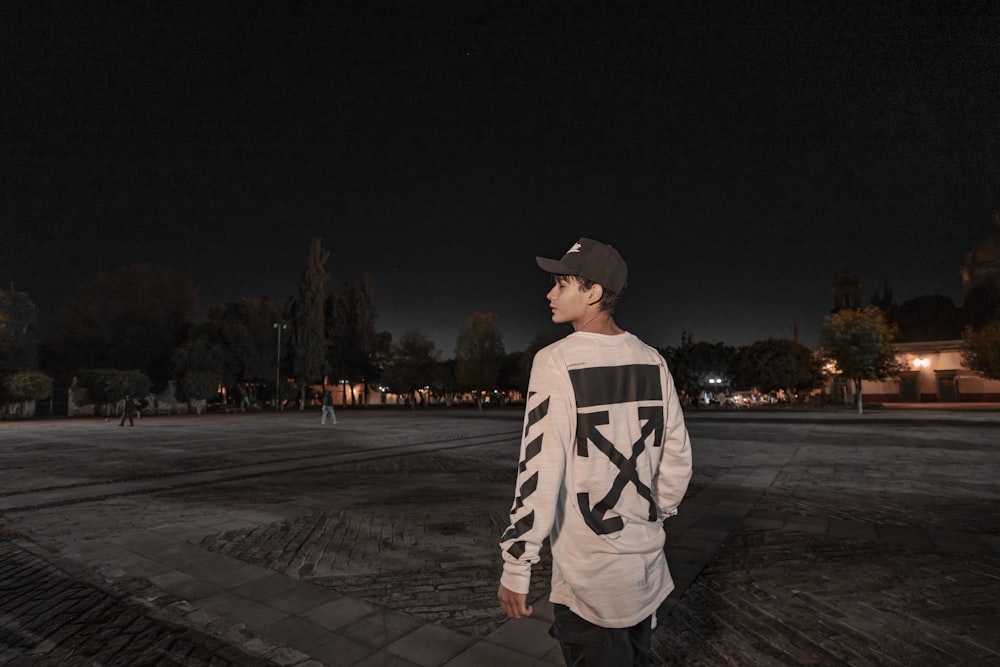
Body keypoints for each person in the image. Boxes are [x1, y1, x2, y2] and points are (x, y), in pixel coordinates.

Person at [498, 237, 693, 665]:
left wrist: (517, 563)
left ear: (594, 293)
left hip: (590, 576)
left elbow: (539, 469)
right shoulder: (653, 360)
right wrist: (653, 513)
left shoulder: (557, 361)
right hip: (646, 569)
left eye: (562, 283)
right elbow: (677, 454)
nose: (550, 294)